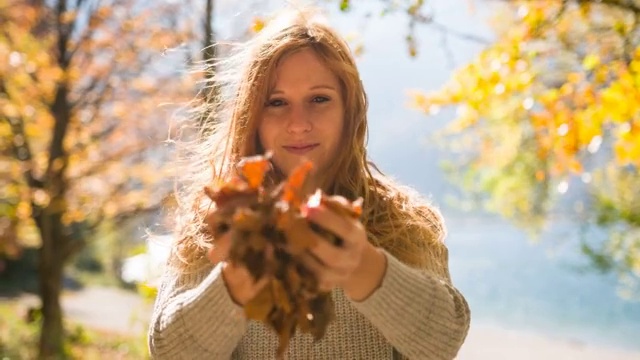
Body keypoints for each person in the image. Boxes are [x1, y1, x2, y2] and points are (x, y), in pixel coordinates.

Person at [148, 6, 470, 360]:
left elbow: (444, 341)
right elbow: (168, 351)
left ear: (351, 112)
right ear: (251, 117)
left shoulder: (404, 222)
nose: (299, 123)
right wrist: (232, 287)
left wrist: (362, 266)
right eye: (277, 102)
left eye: (319, 99)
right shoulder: (212, 222)